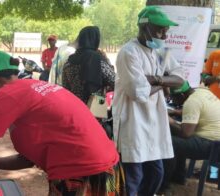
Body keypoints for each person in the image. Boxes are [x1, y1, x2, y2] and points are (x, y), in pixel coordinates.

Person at [0, 51, 125, 195]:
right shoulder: (34, 88)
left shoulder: (8, 94)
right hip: (109, 168)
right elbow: (29, 159)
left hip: (78, 175)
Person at [112, 6, 184, 196]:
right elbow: (138, 92)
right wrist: (164, 82)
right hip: (133, 122)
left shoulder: (161, 52)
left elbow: (180, 78)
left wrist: (155, 79)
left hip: (154, 122)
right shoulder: (129, 53)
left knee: (156, 174)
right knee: (133, 178)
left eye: (166, 30)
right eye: (160, 30)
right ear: (145, 28)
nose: (164, 36)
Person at [158, 81, 220, 193]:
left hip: (211, 146)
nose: (174, 101)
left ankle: (163, 186)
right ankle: (178, 177)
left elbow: (186, 133)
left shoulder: (191, 102)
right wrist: (176, 112)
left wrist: (170, 121)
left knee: (169, 142)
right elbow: (200, 108)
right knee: (178, 139)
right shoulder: (203, 92)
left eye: (174, 98)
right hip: (216, 141)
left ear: (181, 95)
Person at [62, 26, 115, 104]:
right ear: (95, 40)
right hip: (95, 108)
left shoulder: (69, 62)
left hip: (75, 107)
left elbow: (65, 88)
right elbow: (114, 81)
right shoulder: (98, 60)